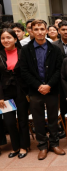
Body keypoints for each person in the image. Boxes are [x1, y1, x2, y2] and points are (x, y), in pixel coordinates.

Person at [20, 19, 65, 160]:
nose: (39, 32)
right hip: (35, 90)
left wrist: (49, 85)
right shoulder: (26, 50)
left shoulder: (55, 49)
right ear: (31, 31)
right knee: (38, 119)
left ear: (46, 31)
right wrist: (38, 86)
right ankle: (42, 146)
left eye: (42, 29)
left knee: (52, 118)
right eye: (36, 29)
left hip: (51, 89)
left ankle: (54, 143)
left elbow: (59, 70)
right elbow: (24, 71)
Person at [0, 29, 30, 159]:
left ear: (15, 39)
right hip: (6, 91)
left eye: (9, 37)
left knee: (23, 119)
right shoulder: (0, 54)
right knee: (9, 121)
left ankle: (24, 146)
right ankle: (15, 146)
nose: (6, 40)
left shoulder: (23, 52)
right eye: (3, 38)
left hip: (21, 90)